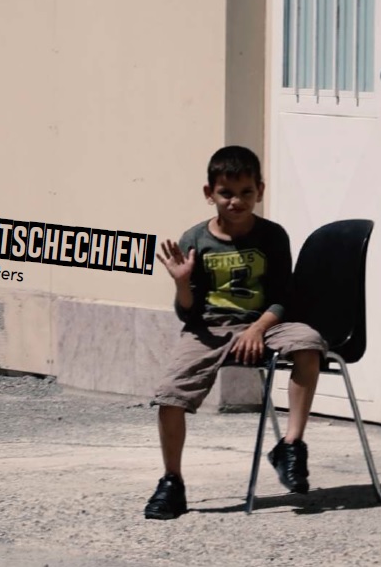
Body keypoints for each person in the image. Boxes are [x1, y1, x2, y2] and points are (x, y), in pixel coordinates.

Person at [144, 144, 325, 519]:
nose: (236, 202)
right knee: (169, 396)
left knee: (309, 344)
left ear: (260, 190)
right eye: (226, 193)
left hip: (265, 324)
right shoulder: (195, 240)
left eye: (246, 193)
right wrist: (181, 283)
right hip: (209, 328)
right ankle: (171, 481)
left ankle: (290, 445)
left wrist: (258, 328)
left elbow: (282, 297)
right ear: (209, 194)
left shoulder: (273, 236)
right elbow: (186, 312)